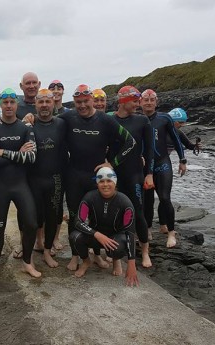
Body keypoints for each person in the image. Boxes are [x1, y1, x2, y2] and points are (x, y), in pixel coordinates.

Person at [58, 84, 136, 271]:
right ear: (74, 102)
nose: (82, 105)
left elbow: (130, 142)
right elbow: (48, 123)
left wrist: (112, 164)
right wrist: (31, 117)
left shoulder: (104, 120)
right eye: (78, 102)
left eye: (86, 101)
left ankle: (97, 256)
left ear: (92, 100)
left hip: (96, 177)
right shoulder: (68, 117)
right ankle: (76, 255)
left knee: (97, 216)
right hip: (74, 175)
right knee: (75, 215)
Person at [0, 88, 40, 282]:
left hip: (20, 185)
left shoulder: (26, 129)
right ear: (0, 104)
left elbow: (31, 157)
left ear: (17, 105)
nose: (8, 106)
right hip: (0, 186)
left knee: (31, 223)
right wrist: (17, 153)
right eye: (5, 102)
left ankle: (26, 263)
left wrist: (4, 152)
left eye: (12, 102)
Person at [69, 167, 139, 287]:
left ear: (115, 183)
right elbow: (77, 221)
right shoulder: (90, 197)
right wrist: (97, 234)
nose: (105, 184)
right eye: (101, 181)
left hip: (114, 239)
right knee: (75, 237)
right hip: (96, 237)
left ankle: (116, 260)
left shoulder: (125, 202)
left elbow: (130, 233)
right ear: (97, 184)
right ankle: (86, 261)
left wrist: (131, 264)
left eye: (109, 181)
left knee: (117, 247)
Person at [23, 89, 68, 268]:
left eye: (47, 102)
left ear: (53, 103)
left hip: (55, 179)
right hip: (33, 179)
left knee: (52, 217)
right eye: (40, 102)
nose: (44, 105)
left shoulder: (62, 124)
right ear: (35, 104)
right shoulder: (28, 125)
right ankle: (29, 256)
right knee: (32, 219)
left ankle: (47, 252)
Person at [110, 86, 154, 268]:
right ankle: (116, 255)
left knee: (138, 213)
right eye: (135, 101)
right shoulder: (109, 120)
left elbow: (150, 150)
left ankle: (144, 252)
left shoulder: (142, 121)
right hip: (114, 175)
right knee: (113, 213)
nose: (139, 104)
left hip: (134, 174)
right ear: (123, 101)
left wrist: (149, 174)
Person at [141, 90, 187, 248]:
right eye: (145, 99)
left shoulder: (164, 118)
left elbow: (176, 138)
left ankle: (171, 233)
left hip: (162, 163)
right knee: (146, 201)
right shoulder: (137, 119)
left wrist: (182, 160)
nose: (148, 102)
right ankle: (147, 228)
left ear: (156, 101)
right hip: (144, 166)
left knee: (165, 198)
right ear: (140, 102)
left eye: (151, 99)